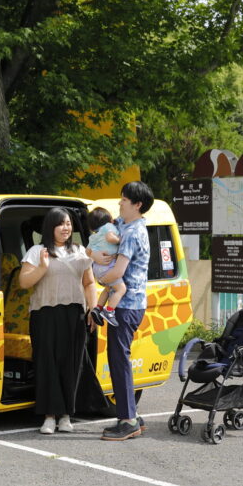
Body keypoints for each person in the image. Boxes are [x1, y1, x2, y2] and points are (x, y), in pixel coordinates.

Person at [19, 207, 98, 434]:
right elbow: (24, 282)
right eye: (61, 224)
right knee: (47, 364)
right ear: (50, 227)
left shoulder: (80, 251)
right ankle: (49, 416)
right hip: (44, 315)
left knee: (71, 364)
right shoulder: (37, 251)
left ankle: (66, 415)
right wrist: (43, 267)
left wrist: (93, 310)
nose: (66, 228)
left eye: (69, 224)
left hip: (74, 314)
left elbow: (89, 283)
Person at [90, 182, 154, 441]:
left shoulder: (133, 233)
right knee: (118, 358)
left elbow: (118, 271)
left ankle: (128, 420)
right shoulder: (123, 225)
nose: (120, 203)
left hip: (126, 305)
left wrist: (97, 274)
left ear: (137, 205)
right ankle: (131, 416)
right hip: (126, 303)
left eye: (124, 200)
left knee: (119, 360)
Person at [86, 207, 127, 328]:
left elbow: (87, 251)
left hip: (97, 268)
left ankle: (97, 309)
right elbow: (110, 238)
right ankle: (109, 311)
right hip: (107, 266)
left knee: (108, 289)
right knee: (121, 289)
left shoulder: (93, 236)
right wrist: (121, 240)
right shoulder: (108, 227)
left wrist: (94, 255)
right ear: (109, 220)